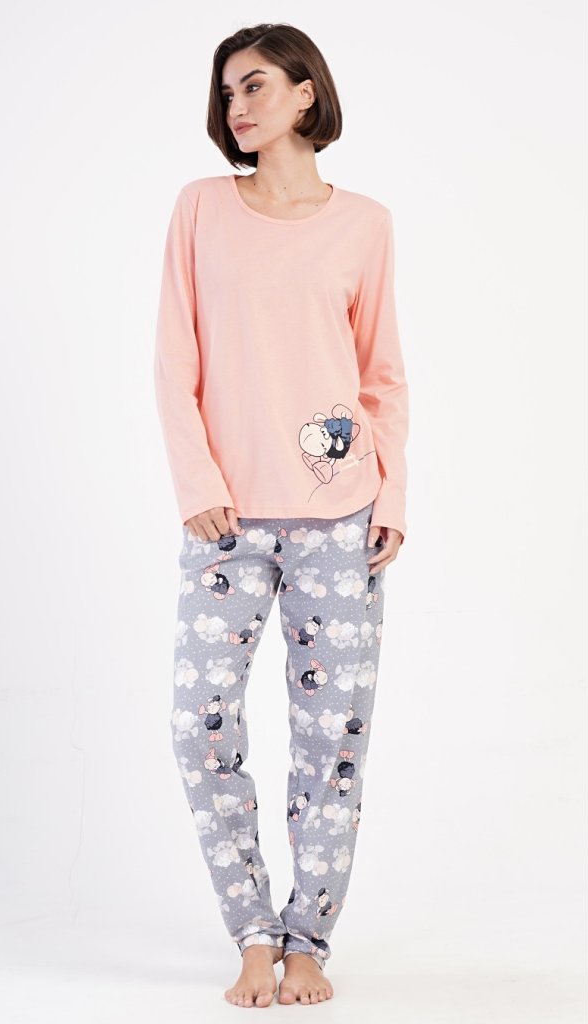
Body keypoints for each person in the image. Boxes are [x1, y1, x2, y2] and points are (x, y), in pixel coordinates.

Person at [153, 22, 410, 1009]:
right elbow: (173, 361)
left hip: (340, 516)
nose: (238, 106)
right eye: (227, 93)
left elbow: (382, 376)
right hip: (224, 520)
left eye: (255, 85)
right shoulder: (200, 209)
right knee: (200, 724)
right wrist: (196, 485)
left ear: (306, 93)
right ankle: (252, 932)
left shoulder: (366, 225)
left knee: (330, 741)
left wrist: (392, 495)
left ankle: (309, 942)